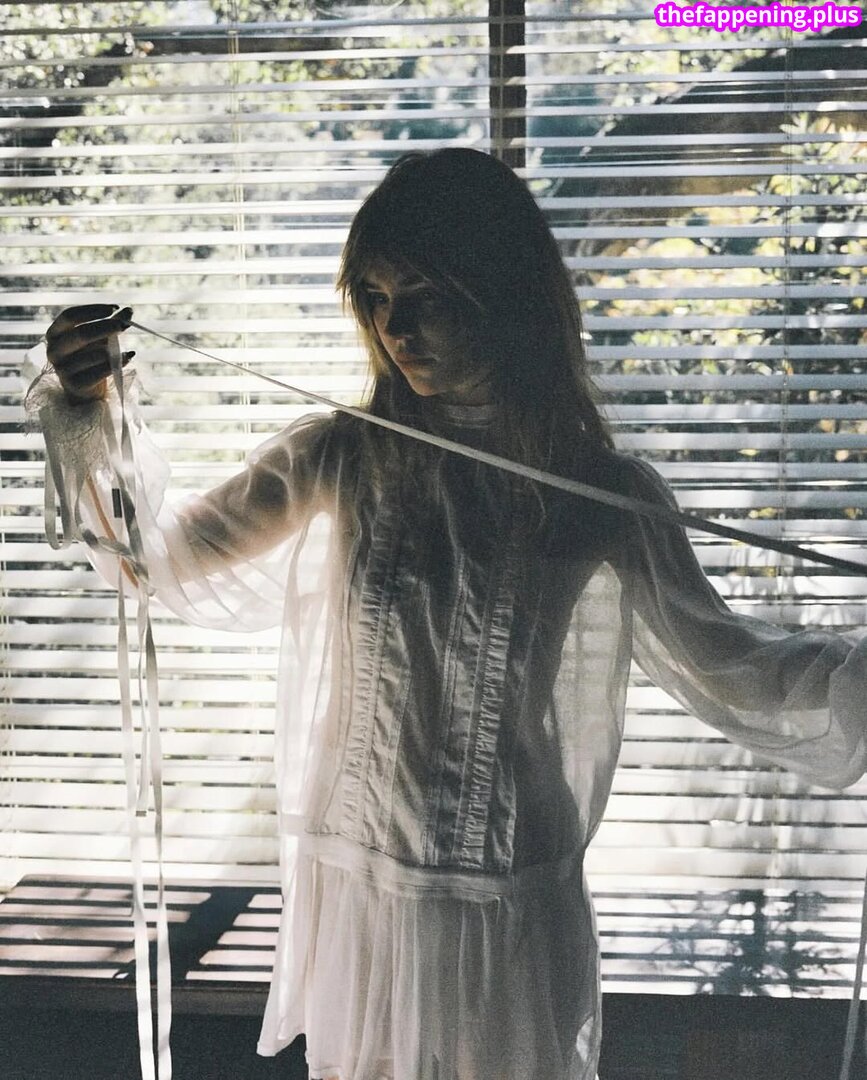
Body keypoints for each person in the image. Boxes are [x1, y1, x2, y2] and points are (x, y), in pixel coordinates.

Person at [26, 148, 867, 1080]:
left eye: (424, 295)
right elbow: (160, 556)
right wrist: (86, 405)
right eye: (377, 298)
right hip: (365, 879)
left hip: (506, 890)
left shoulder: (599, 491)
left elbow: (732, 666)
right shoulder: (343, 455)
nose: (396, 328)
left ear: (501, 296)